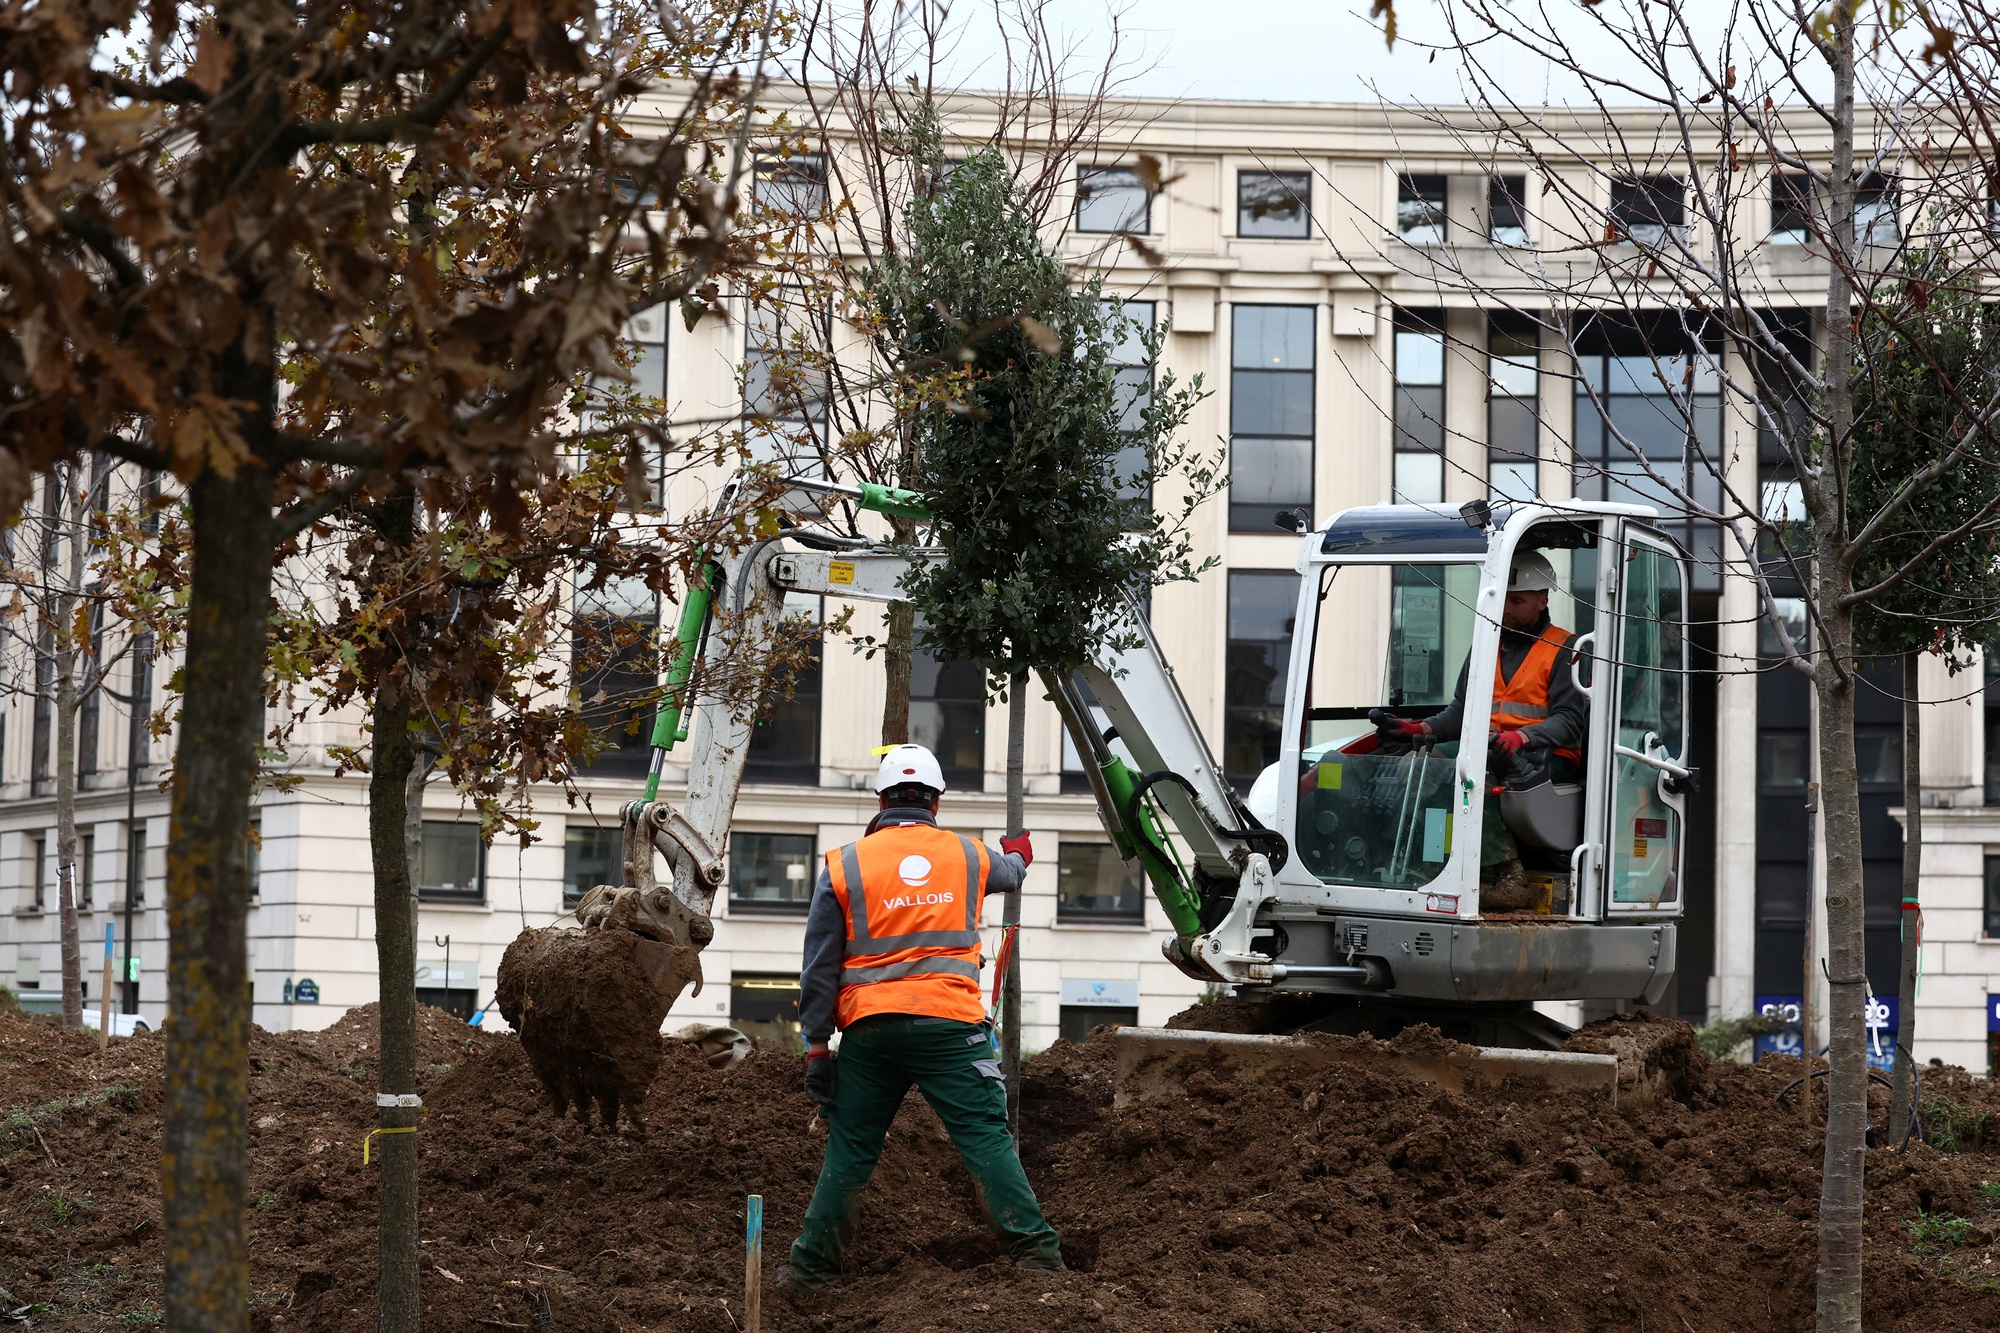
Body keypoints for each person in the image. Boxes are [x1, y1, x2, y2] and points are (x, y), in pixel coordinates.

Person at [783, 743, 1065, 1291]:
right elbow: (1010, 873)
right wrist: (1022, 852)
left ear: (881, 799)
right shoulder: (968, 854)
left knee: (852, 1147)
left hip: (871, 1033)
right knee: (985, 1140)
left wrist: (817, 1048)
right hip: (951, 1029)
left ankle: (809, 1272)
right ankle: (1038, 1259)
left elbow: (818, 967)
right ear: (937, 801)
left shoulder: (843, 864)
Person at [1375, 551, 1586, 908]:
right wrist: (1419, 728)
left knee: (1472, 776)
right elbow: (1462, 710)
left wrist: (1521, 737)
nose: (1506, 609)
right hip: (1489, 750)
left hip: (1547, 760)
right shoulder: (1488, 644)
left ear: (1542, 600)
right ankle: (1425, 865)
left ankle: (1509, 877)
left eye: (1517, 600)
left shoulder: (1565, 649)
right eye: (1502, 598)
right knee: (1416, 765)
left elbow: (1570, 720)